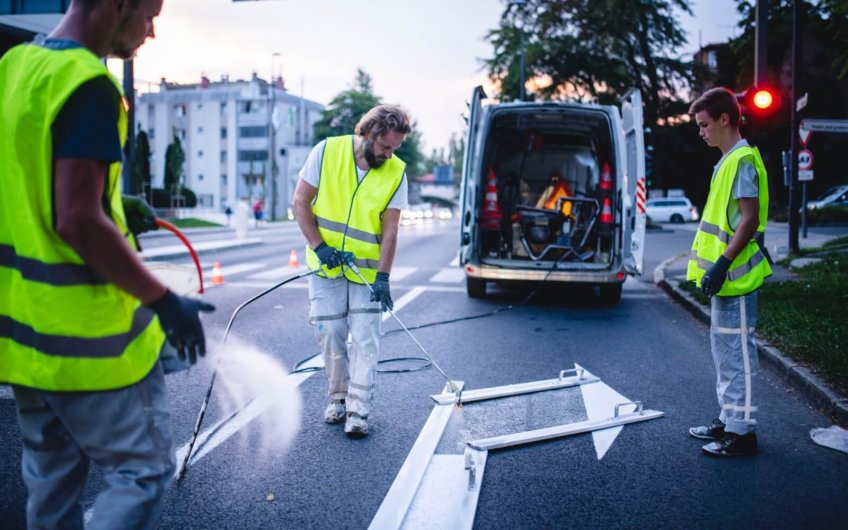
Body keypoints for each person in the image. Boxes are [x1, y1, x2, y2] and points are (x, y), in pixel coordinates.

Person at [0, 1, 215, 528]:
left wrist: (119, 208)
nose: (152, 30)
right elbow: (76, 218)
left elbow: (32, 187)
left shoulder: (14, 69)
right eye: (149, 13)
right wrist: (163, 301)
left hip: (25, 345)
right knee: (142, 472)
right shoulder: (88, 84)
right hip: (91, 343)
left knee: (51, 489)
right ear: (117, 5)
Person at [292, 104, 411, 438]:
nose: (390, 154)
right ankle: (339, 397)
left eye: (395, 148)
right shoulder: (327, 151)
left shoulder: (397, 171)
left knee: (365, 339)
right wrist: (319, 247)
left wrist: (384, 277)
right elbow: (300, 202)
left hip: (367, 274)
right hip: (325, 266)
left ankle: (359, 410)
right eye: (386, 146)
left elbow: (391, 230)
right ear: (368, 134)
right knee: (329, 333)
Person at [686, 87, 772, 458]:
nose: (701, 132)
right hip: (726, 278)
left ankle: (742, 433)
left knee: (738, 354)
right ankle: (729, 418)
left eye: (704, 125)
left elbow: (749, 219)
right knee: (725, 353)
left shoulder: (742, 161)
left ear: (725, 119)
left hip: (736, 276)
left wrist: (721, 264)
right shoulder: (727, 162)